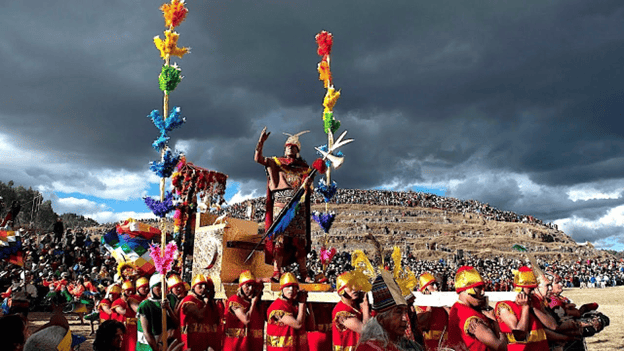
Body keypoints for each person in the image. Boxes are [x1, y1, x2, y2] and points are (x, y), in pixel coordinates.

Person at [254, 127, 316, 282]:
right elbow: (258, 159)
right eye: (287, 146)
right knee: (279, 240)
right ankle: (277, 272)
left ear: (297, 150)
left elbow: (309, 191)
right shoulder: (276, 162)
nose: (289, 148)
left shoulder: (305, 168)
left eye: (292, 146)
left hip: (298, 207)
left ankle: (304, 273)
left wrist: (307, 183)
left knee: (299, 241)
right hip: (281, 205)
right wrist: (260, 143)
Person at [356, 270, 422, 351]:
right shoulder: (370, 348)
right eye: (398, 312)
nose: (405, 318)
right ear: (381, 318)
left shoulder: (408, 345)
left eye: (405, 311)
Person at [446, 266, 507, 351]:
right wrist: (495, 322)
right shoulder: (470, 316)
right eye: (478, 287)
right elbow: (501, 347)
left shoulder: (456, 307)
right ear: (468, 290)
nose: (482, 292)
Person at [494, 267, 554, 351]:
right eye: (529, 289)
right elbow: (520, 335)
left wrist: (533, 308)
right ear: (520, 289)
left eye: (533, 288)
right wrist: (525, 307)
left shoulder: (534, 301)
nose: (533, 292)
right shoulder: (505, 306)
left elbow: (553, 325)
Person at [266, 272, 314, 351]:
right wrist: (302, 304)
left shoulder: (295, 305)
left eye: (294, 287)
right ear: (282, 289)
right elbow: (298, 324)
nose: (291, 289)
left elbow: (311, 327)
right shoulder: (277, 307)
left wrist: (308, 305)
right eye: (287, 286)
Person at [179, 274, 224, 351]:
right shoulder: (189, 300)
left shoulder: (206, 302)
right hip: (192, 343)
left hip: (204, 344)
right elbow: (200, 316)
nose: (203, 288)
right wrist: (206, 303)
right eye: (200, 285)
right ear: (194, 287)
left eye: (205, 286)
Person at [223, 270, 264, 351]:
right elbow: (246, 320)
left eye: (253, 286)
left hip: (248, 346)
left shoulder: (255, 303)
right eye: (247, 285)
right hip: (234, 346)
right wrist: (253, 303)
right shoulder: (234, 300)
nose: (251, 288)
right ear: (241, 286)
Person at [136, 273, 178, 351]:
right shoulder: (145, 305)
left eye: (164, 285)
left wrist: (168, 309)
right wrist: (156, 349)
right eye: (159, 285)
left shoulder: (170, 301)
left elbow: (176, 324)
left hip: (165, 344)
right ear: (152, 287)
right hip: (148, 346)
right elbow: (147, 332)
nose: (162, 288)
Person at [332, 271, 370, 351]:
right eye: (349, 286)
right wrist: (366, 308)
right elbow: (365, 331)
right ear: (342, 289)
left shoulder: (355, 306)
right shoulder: (341, 312)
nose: (354, 288)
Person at [415, 272, 449, 351]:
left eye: (436, 284)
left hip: (444, 344)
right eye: (432, 284)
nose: (435, 287)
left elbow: (453, 318)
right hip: (426, 345)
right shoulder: (418, 305)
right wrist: (430, 303)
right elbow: (422, 325)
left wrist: (443, 303)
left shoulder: (442, 304)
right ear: (425, 289)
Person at [112, 280, 140, 351]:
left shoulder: (133, 300)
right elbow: (122, 312)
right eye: (128, 290)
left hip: (134, 327)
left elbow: (138, 310)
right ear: (123, 291)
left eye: (131, 290)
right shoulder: (117, 302)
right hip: (123, 328)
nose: (130, 292)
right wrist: (129, 304)